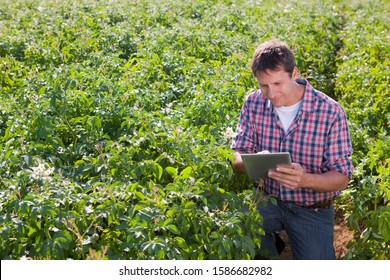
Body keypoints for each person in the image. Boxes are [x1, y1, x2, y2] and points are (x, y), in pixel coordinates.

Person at [231, 39, 354, 260]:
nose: (271, 93)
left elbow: (342, 176)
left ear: (294, 73)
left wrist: (304, 180)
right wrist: (252, 161)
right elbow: (237, 154)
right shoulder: (253, 103)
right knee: (233, 225)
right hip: (268, 199)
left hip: (312, 208)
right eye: (263, 85)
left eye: (278, 84)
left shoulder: (330, 112)